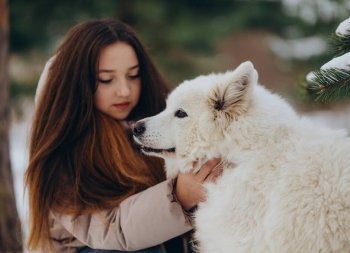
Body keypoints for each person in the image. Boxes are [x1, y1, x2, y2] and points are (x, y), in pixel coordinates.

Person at [25, 19, 223, 253]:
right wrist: (179, 196)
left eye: (133, 75)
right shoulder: (62, 140)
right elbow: (109, 230)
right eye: (106, 79)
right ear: (77, 82)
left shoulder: (159, 117)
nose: (124, 91)